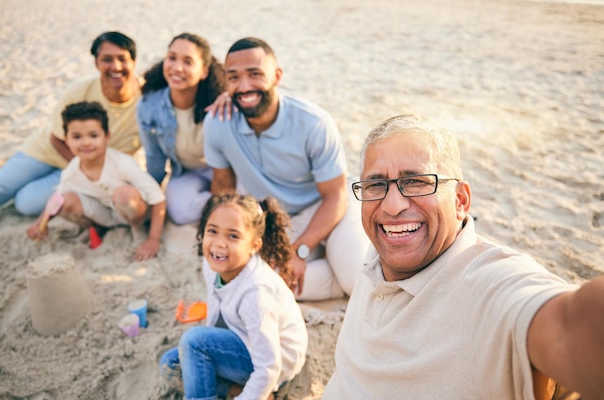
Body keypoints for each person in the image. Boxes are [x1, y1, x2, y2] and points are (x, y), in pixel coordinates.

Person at [323, 114, 604, 399]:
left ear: (461, 200)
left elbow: (570, 325)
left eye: (417, 182)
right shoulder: (385, 246)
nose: (392, 206)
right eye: (376, 185)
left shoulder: (488, 286)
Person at [203, 37, 369, 301]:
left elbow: (335, 197)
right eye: (233, 78)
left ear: (277, 76)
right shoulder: (217, 122)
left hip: (329, 206)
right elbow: (223, 188)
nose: (244, 86)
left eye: (255, 74)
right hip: (277, 219)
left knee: (357, 283)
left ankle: (346, 266)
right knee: (256, 283)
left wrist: (298, 251)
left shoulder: (314, 123)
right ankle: (337, 271)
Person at [159, 193, 308, 400]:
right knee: (170, 364)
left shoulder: (256, 292)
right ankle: (234, 391)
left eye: (233, 236)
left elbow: (269, 366)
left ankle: (258, 393)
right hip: (242, 339)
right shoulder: (213, 264)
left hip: (278, 360)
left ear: (254, 246)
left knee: (194, 341)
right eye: (212, 231)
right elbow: (216, 304)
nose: (219, 244)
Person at [0, 31, 141, 219]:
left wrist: (85, 173)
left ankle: (20, 192)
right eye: (107, 59)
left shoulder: (146, 100)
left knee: (25, 203)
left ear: (134, 62)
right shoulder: (80, 89)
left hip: (88, 168)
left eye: (122, 58)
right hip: (48, 151)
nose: (116, 66)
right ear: (96, 63)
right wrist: (79, 167)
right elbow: (56, 138)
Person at [26, 101, 166, 261]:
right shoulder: (72, 170)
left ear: (107, 136)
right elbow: (57, 199)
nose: (86, 142)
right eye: (77, 137)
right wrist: (40, 223)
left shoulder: (122, 163)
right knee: (64, 200)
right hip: (103, 214)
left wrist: (154, 240)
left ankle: (137, 229)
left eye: (93, 135)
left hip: (131, 211)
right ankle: (96, 227)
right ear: (67, 140)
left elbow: (158, 198)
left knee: (123, 194)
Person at [137, 32, 227, 225]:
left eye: (188, 62)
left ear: (204, 71)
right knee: (179, 211)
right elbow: (154, 160)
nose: (177, 68)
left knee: (251, 196)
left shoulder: (219, 103)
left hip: (226, 171)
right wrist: (147, 201)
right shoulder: (149, 105)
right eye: (172, 58)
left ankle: (225, 206)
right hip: (187, 172)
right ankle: (221, 207)